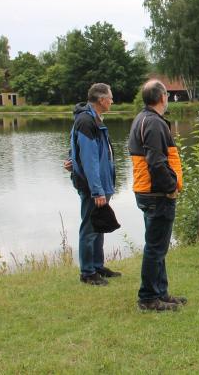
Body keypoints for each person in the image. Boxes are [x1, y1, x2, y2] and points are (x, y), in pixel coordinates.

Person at [129, 80, 186, 312]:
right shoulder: (153, 123)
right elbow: (156, 161)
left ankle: (161, 292)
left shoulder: (143, 119)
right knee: (155, 247)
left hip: (147, 191)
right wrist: (170, 186)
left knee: (158, 246)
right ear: (163, 97)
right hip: (156, 193)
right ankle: (148, 297)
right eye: (167, 95)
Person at [69, 83, 121, 286]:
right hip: (93, 187)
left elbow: (77, 150)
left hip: (100, 184)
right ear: (101, 99)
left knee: (99, 225)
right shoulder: (86, 121)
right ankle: (87, 272)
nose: (112, 101)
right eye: (110, 97)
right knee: (90, 227)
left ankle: (97, 266)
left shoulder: (93, 119)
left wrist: (71, 160)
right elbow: (89, 159)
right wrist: (97, 190)